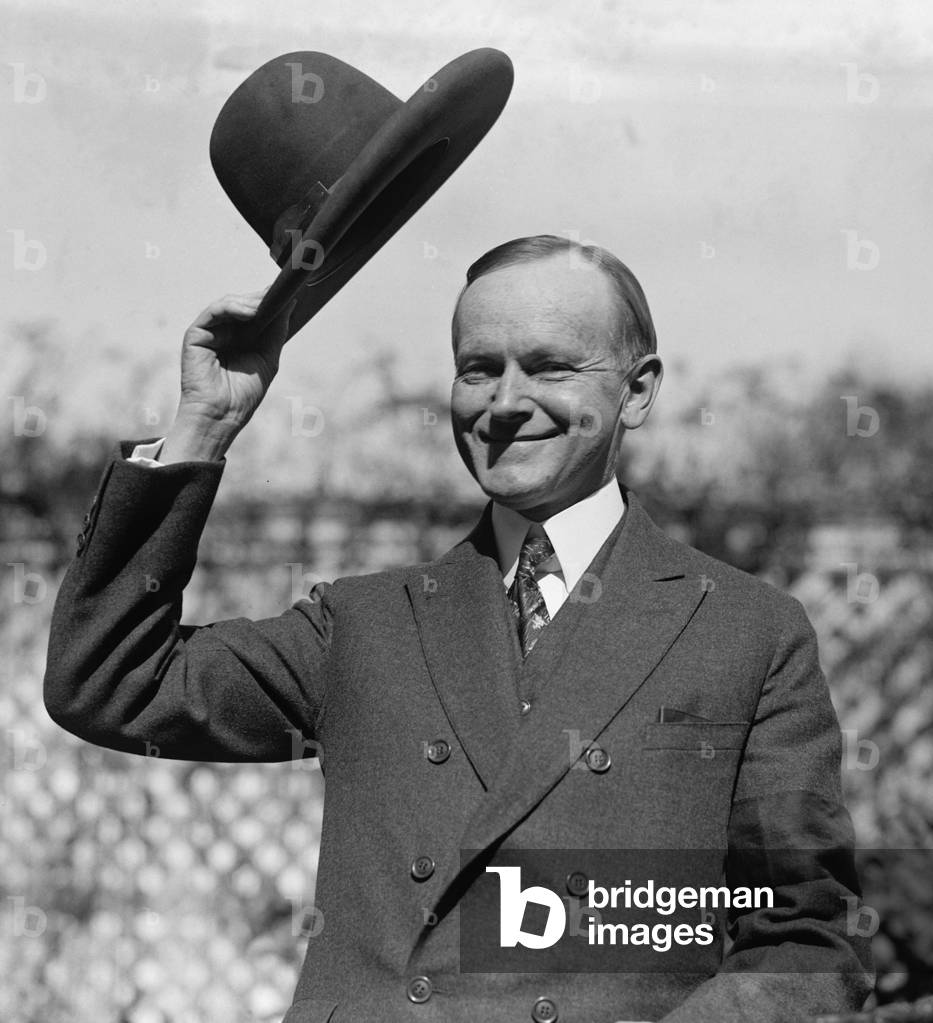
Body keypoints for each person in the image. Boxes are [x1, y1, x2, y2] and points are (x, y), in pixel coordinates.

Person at [44, 234, 873, 1023]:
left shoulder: (744, 630)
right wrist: (203, 426)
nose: (506, 403)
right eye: (479, 369)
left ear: (640, 389)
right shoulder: (364, 625)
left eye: (549, 366)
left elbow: (804, 944)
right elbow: (113, 681)